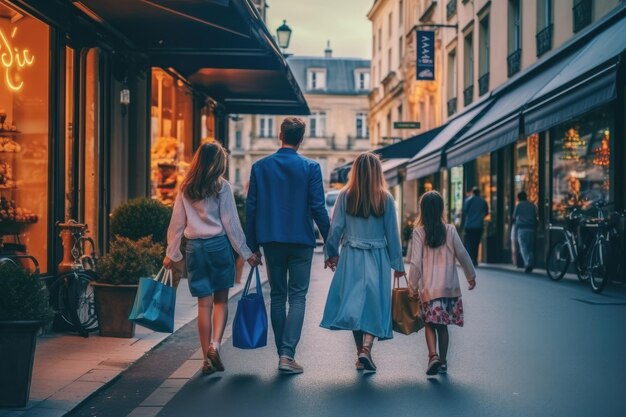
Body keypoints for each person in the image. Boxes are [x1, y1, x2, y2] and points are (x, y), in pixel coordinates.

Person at [164, 142, 261, 375]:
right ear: (219, 163)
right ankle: (215, 345)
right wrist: (247, 254)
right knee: (221, 302)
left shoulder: (186, 187)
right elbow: (231, 224)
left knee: (203, 305)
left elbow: (177, 223)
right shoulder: (222, 187)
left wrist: (171, 253)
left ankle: (205, 360)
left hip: (195, 248)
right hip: (218, 247)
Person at [245, 117, 330, 374]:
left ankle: (283, 354)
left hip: (271, 241)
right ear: (301, 138)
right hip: (301, 241)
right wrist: (331, 244)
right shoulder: (311, 168)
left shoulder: (260, 167)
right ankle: (287, 355)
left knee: (278, 296)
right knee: (297, 297)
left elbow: (251, 208)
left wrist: (252, 246)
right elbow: (318, 208)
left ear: (279, 134)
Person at [321, 152, 405, 373]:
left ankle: (361, 352)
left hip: (352, 256)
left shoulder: (345, 195)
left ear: (355, 171)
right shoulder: (385, 198)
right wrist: (398, 265)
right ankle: (366, 349)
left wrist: (331, 253)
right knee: (375, 304)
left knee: (355, 305)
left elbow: (335, 229)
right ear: (378, 172)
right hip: (378, 256)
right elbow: (392, 235)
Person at [409, 191, 477, 376]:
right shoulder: (450, 230)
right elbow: (462, 254)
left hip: (429, 289)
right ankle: (444, 361)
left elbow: (415, 262)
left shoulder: (419, 233)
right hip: (448, 289)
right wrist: (470, 275)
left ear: (422, 210)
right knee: (443, 326)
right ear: (441, 209)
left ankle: (433, 356)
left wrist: (412, 287)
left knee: (430, 323)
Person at [461, 186, 489, 266]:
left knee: (468, 242)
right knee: (476, 243)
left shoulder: (468, 200)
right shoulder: (483, 201)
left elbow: (465, 212)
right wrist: (480, 216)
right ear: (479, 193)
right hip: (479, 225)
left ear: (472, 192)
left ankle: (469, 259)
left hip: (469, 225)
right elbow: (486, 212)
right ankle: (475, 259)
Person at [513, 191, 538, 273]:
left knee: (523, 247)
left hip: (522, 228)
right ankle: (531, 262)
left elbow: (514, 217)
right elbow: (536, 216)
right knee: (530, 248)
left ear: (519, 198)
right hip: (531, 228)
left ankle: (528, 263)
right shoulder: (532, 205)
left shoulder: (519, 205)